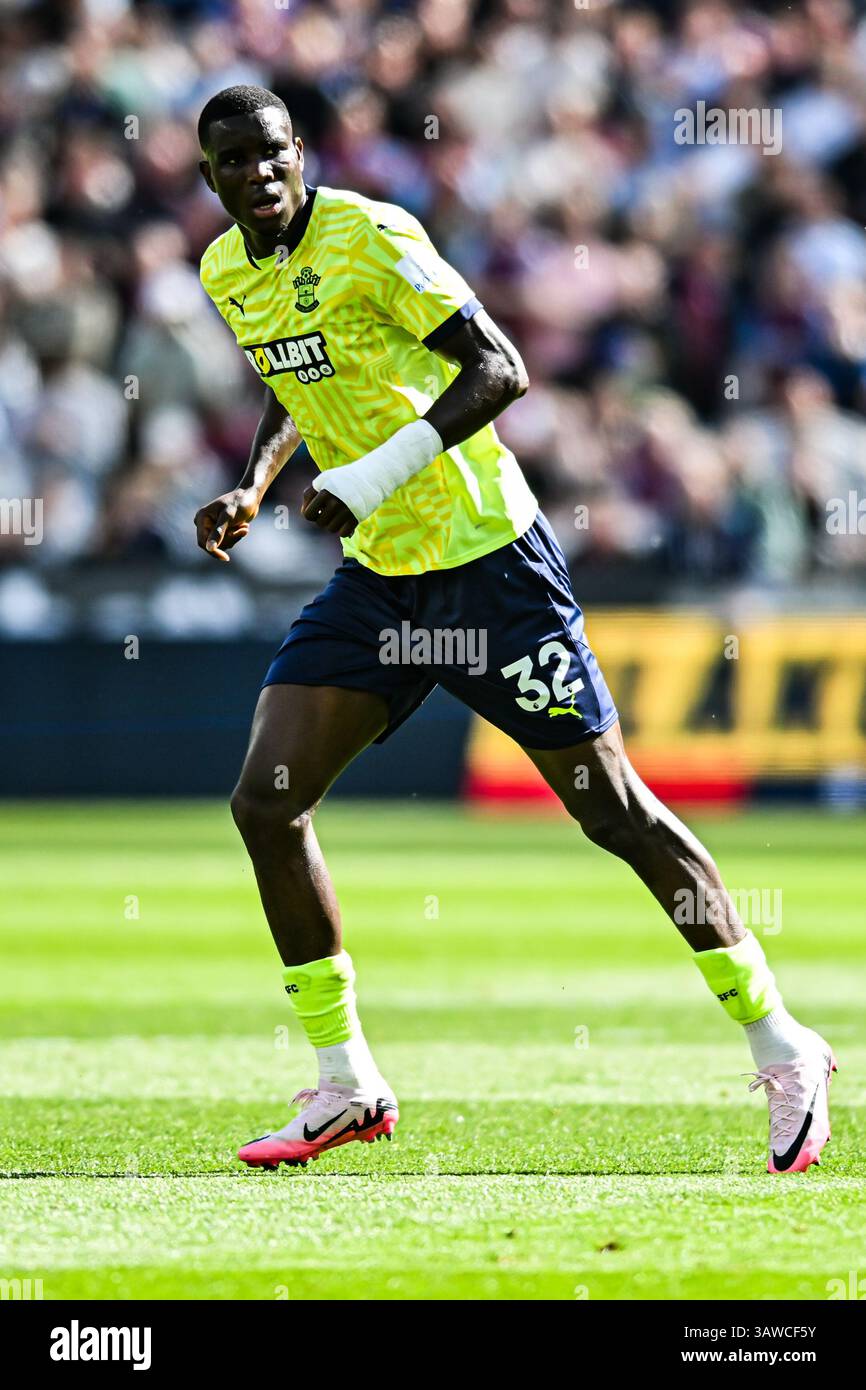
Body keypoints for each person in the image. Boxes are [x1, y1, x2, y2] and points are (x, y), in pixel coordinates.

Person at [194, 85, 835, 1175]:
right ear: (209, 179)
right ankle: (346, 1080)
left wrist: (368, 473)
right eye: (233, 163)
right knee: (267, 800)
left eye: (272, 153)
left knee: (614, 812)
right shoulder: (225, 273)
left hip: (491, 567)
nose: (258, 174)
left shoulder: (373, 235)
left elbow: (500, 366)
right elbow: (298, 377)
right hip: (383, 575)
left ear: (300, 151)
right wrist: (255, 484)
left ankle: (784, 1045)